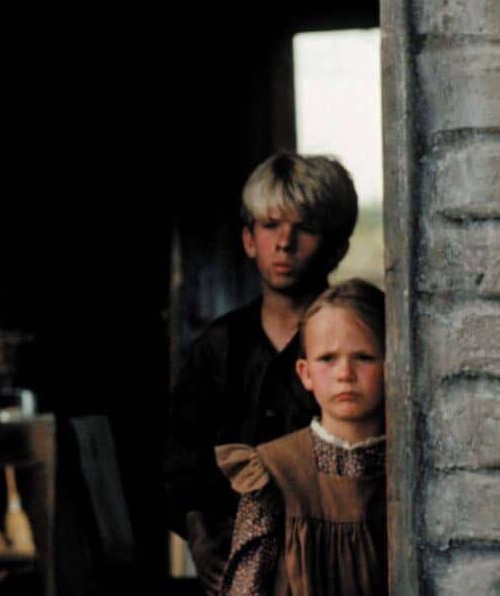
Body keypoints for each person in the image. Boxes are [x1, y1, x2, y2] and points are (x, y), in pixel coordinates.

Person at [164, 152, 358, 592]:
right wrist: (201, 540)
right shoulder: (217, 347)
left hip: (336, 563)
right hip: (239, 565)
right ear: (250, 240)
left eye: (304, 228)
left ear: (338, 247)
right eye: (270, 226)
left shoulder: (362, 339)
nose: (284, 243)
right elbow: (182, 464)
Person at [216, 279, 387, 595]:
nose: (345, 373)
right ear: (305, 374)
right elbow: (246, 589)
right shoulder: (274, 474)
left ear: (393, 366)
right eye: (327, 359)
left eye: (363, 357)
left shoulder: (409, 473)